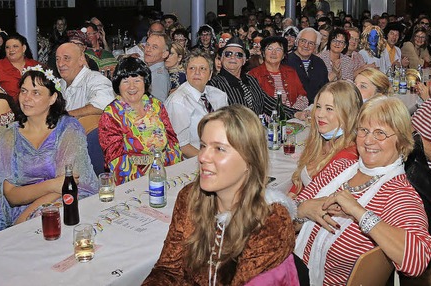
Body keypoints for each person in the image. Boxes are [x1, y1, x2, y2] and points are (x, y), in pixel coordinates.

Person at [143, 105, 297, 285]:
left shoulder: (270, 220)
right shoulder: (190, 198)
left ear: (250, 159)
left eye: (219, 149)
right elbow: (168, 270)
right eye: (203, 145)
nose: (202, 157)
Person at [293, 96, 431, 284]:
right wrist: (304, 209)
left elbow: (418, 260)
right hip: (295, 268)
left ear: (401, 140)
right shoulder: (340, 167)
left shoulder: (399, 194)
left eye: (380, 133)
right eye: (364, 130)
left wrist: (359, 212)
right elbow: (286, 220)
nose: (368, 140)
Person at [0, 66, 98, 232]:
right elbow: (10, 195)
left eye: (36, 92)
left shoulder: (68, 129)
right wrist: (52, 185)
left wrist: (28, 216)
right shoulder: (10, 136)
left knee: (55, 214)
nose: (26, 98)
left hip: (69, 198)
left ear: (53, 98)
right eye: (24, 91)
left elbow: (66, 187)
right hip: (22, 207)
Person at [98, 57, 182, 184]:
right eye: (125, 81)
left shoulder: (156, 105)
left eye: (137, 80)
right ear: (118, 85)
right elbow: (116, 160)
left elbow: (172, 142)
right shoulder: (111, 114)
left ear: (145, 82)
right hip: (133, 180)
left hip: (165, 171)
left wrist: (170, 171)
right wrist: (149, 179)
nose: (132, 87)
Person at [290, 81, 363, 196]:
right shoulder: (320, 142)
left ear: (349, 114)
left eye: (329, 109)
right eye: (318, 107)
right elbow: (299, 184)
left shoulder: (348, 157)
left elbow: (313, 200)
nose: (320, 114)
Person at [165, 50, 228, 158]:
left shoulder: (219, 95)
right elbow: (182, 145)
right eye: (192, 68)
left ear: (210, 74)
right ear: (186, 73)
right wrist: (210, 160)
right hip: (191, 162)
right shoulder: (178, 101)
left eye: (202, 68)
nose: (197, 72)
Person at [248, 36, 308, 110]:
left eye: (278, 49)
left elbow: (302, 97)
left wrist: (292, 113)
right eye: (269, 49)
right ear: (263, 53)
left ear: (283, 55)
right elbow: (253, 103)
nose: (274, 53)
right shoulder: (254, 74)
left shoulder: (291, 72)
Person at [55, 43, 114, 117]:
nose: (60, 64)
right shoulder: (58, 84)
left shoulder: (95, 79)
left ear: (81, 60)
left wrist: (65, 118)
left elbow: (104, 105)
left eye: (66, 58)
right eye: (57, 59)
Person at [286, 27, 329, 104]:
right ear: (297, 42)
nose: (306, 45)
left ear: (316, 47)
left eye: (311, 43)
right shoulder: (286, 61)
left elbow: (325, 88)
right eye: (303, 41)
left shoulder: (319, 63)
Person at [0, 34, 41, 101]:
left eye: (15, 46)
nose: (11, 50)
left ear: (24, 48)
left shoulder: (36, 65)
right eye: (7, 47)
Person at [144, 31, 172, 102]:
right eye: (147, 45)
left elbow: (158, 107)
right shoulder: (151, 70)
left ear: (164, 54)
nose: (148, 49)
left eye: (154, 47)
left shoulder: (159, 76)